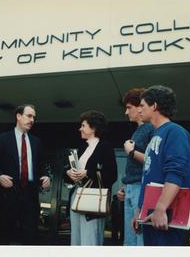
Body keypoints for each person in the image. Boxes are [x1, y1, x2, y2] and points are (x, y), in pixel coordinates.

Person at [132, 85, 190, 246]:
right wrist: (140, 210)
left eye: (143, 106)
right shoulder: (155, 134)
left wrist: (160, 208)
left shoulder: (175, 132)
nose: (139, 110)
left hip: (166, 217)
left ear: (154, 106)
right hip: (150, 216)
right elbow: (148, 176)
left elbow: (175, 173)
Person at [0, 104, 50, 245]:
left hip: (30, 194)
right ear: (18, 116)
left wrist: (45, 175)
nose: (32, 120)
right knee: (3, 235)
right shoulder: (2, 139)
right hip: (8, 192)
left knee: (30, 236)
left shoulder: (36, 142)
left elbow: (41, 165)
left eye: (34, 117)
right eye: (29, 116)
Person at [65, 110, 117, 245]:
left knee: (90, 237)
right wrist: (69, 173)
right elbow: (72, 170)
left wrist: (88, 173)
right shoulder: (82, 148)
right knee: (76, 238)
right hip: (77, 196)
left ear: (93, 128)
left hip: (93, 198)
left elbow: (112, 175)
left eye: (83, 125)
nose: (80, 128)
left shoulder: (105, 147)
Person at [116, 88, 154, 246]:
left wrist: (131, 152)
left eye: (129, 107)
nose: (126, 112)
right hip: (132, 189)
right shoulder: (139, 131)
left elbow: (154, 162)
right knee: (130, 240)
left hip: (141, 190)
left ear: (140, 107)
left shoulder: (151, 128)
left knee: (139, 240)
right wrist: (124, 186)